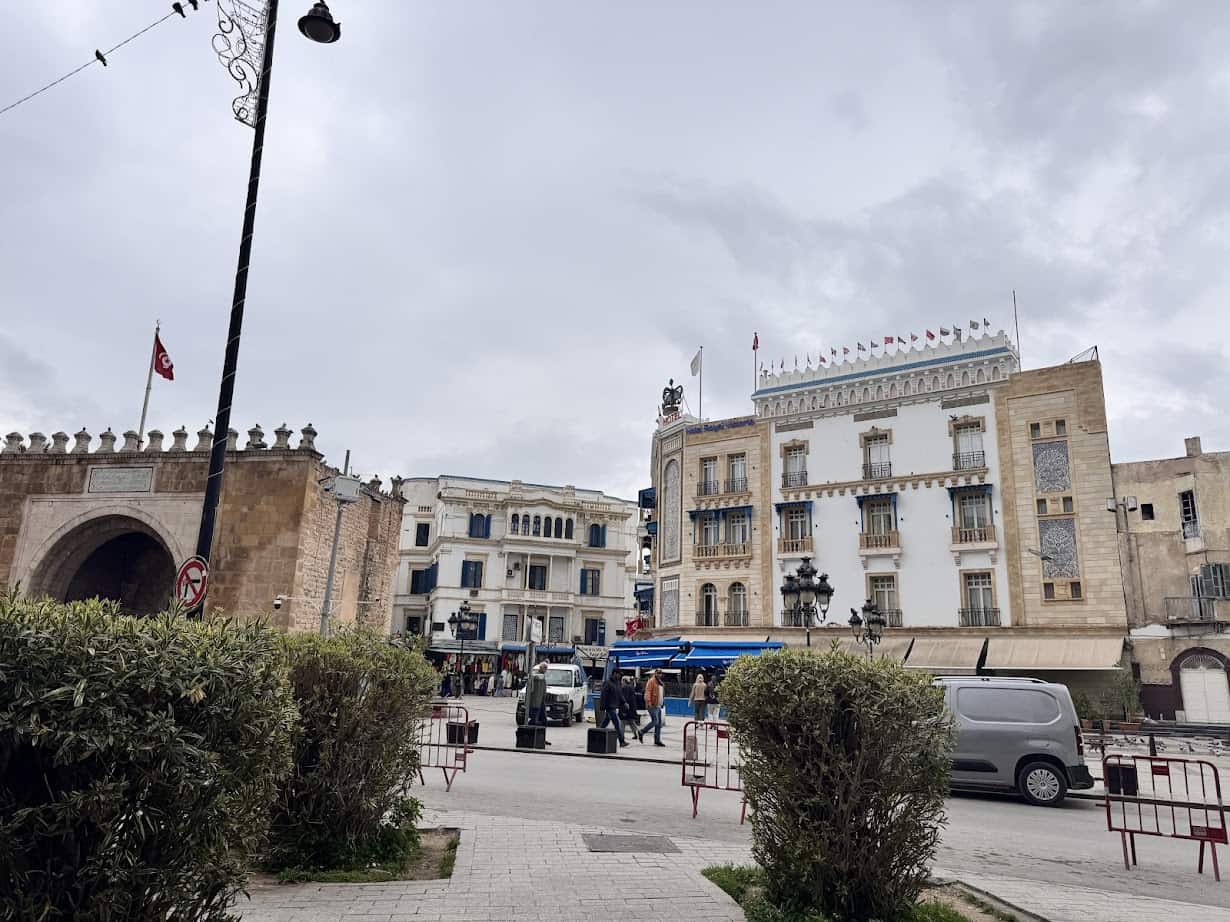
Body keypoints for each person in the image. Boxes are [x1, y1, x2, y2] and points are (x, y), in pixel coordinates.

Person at [597, 670, 628, 747]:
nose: (619, 676)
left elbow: (620, 694)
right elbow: (603, 695)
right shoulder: (607, 683)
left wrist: (624, 702)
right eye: (618, 674)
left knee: (606, 722)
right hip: (609, 706)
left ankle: (597, 734)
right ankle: (622, 741)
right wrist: (602, 706)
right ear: (614, 673)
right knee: (618, 723)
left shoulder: (617, 683)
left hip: (614, 706)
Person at [638, 668, 666, 746]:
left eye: (660, 673)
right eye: (658, 673)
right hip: (652, 705)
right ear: (655, 673)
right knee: (655, 721)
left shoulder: (660, 683)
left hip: (658, 705)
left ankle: (657, 740)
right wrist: (648, 702)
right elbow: (648, 692)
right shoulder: (651, 681)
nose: (659, 674)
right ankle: (642, 731)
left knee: (658, 724)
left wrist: (663, 702)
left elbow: (661, 694)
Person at [526, 662, 548, 727]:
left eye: (546, 668)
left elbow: (544, 688)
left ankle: (542, 722)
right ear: (541, 668)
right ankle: (533, 723)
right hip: (536, 700)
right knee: (535, 713)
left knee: (541, 713)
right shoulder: (536, 676)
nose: (546, 670)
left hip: (541, 699)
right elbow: (531, 688)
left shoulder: (542, 676)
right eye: (545, 668)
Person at [619, 676, 641, 744]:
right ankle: (637, 734)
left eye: (622, 681)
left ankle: (621, 736)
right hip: (632, 708)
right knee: (631, 722)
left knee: (623, 722)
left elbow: (625, 699)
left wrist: (624, 710)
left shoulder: (625, 688)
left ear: (624, 681)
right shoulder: (631, 687)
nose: (621, 682)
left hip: (627, 708)